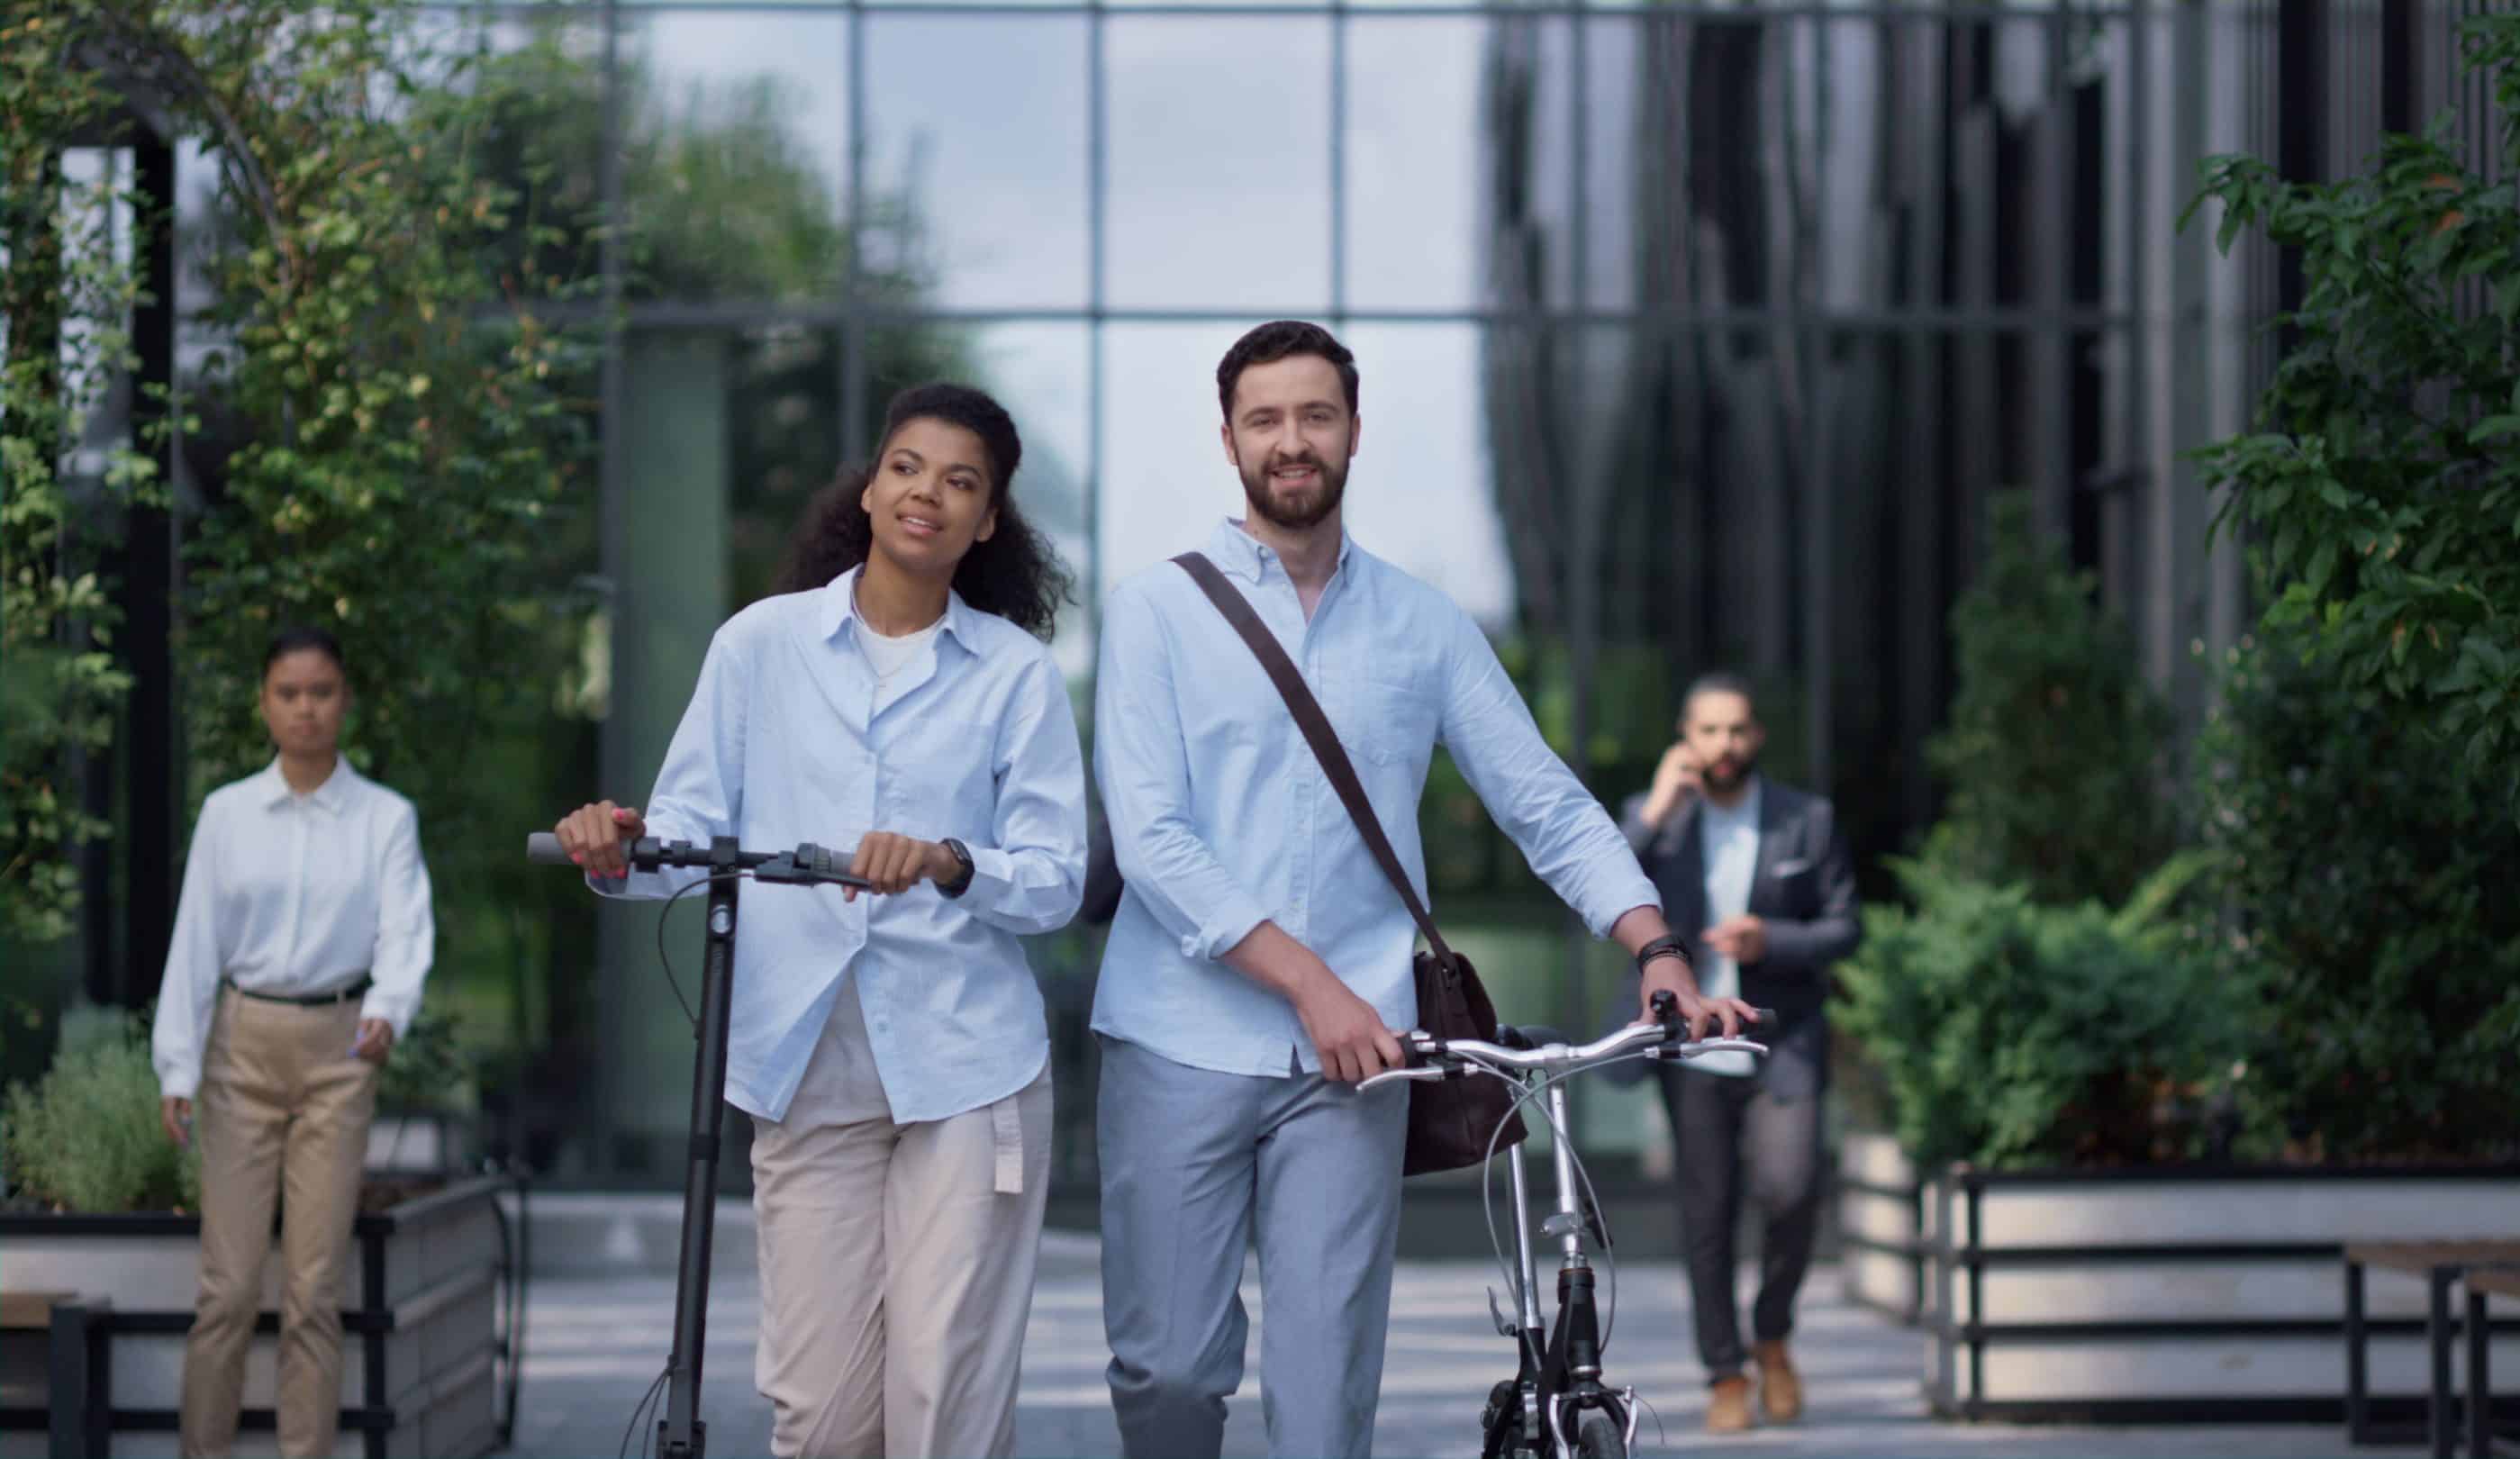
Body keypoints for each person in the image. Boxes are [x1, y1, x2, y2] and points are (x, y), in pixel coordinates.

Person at [1088, 320, 1754, 1459]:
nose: (1291, 441)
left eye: (1315, 415)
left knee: (1326, 1394)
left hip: (1359, 1068)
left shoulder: (1421, 624)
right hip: (1177, 1041)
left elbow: (1542, 801)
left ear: (1352, 432)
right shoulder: (1156, 611)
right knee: (1170, 1374)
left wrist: (1656, 946)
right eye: (1265, 420)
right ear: (1229, 440)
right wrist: (1311, 986)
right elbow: (1152, 840)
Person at [552, 384, 1086, 1459]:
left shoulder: (1017, 677)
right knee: (823, 1419)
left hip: (968, 1070)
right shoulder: (761, 646)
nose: (926, 493)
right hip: (804, 1065)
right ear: (872, 485)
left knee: (942, 1408)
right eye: (907, 467)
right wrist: (616, 848)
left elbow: (1056, 880)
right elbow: (692, 832)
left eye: (960, 481)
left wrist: (947, 860)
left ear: (989, 522)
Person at [151, 625, 434, 1459]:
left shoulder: (386, 817)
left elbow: (406, 930)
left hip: (340, 1055)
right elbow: (195, 943)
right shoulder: (228, 814)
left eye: (321, 692)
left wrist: (391, 1004)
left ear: (344, 699)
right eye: (288, 693)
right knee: (228, 1290)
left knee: (315, 1290)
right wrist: (177, 1063)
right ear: (265, 704)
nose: (305, 709)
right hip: (241, 1049)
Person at [1618, 673, 1861, 1431]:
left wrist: (1771, 940)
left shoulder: (1805, 821)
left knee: (1791, 1193)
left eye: (1737, 731)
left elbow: (1845, 928)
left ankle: (1773, 1336)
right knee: (1707, 1214)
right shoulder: (1656, 821)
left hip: (1778, 1039)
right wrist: (1655, 809)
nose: (1724, 746)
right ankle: (1726, 1374)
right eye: (1708, 732)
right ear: (1685, 739)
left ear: (1755, 737)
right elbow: (1597, 893)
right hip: (1692, 1048)